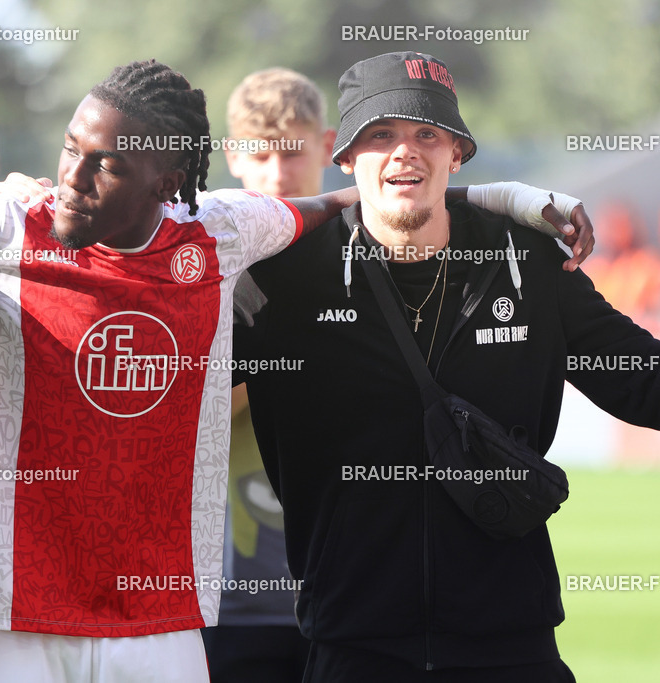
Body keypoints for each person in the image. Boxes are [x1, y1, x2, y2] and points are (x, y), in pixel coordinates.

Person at [0, 59, 592, 682]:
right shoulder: (2, 224)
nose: (74, 175)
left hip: (161, 620)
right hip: (9, 617)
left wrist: (504, 194)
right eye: (70, 148)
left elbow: (358, 196)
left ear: (170, 173)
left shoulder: (219, 233)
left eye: (102, 162)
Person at [235, 51, 660, 682]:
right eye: (380, 135)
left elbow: (643, 382)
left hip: (514, 646)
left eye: (425, 134)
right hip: (354, 649)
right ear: (346, 158)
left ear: (456, 153)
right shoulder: (283, 282)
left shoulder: (527, 260)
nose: (404, 151)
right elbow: (174, 391)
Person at [201, 67, 334, 682]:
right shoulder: (201, 268)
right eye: (260, 153)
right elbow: (193, 414)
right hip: (230, 602)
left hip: (347, 598)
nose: (277, 173)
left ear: (328, 147)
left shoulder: (368, 258)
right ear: (232, 156)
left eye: (292, 151)